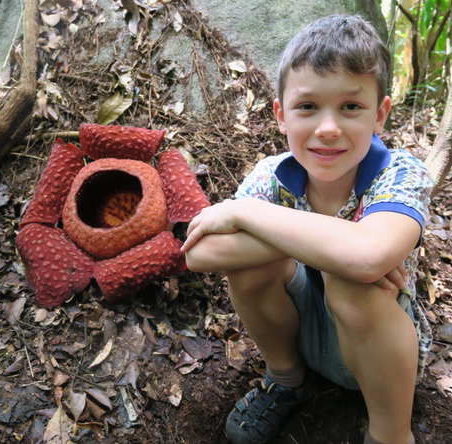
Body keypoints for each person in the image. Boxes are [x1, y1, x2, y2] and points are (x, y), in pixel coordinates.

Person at [181, 14, 433, 444]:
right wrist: (336, 246)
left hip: (378, 352)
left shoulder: (401, 173)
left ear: (380, 114)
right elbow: (201, 255)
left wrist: (246, 215)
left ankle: (391, 435)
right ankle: (286, 380)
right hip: (298, 339)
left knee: (351, 280)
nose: (329, 128)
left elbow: (368, 255)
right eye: (308, 106)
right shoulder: (271, 175)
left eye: (351, 106)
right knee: (299, 267)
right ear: (281, 115)